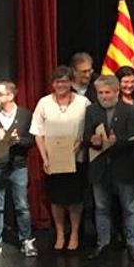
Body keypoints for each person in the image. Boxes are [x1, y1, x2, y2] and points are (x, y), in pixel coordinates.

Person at [83, 75, 134, 260]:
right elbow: (85, 136)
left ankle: (133, 244)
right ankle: (103, 243)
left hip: (123, 167)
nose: (103, 96)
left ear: (117, 92)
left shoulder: (131, 111)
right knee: (101, 208)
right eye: (100, 93)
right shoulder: (91, 110)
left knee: (129, 207)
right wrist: (93, 140)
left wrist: (119, 142)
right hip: (100, 168)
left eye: (107, 92)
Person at [32, 66, 90, 252]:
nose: (61, 85)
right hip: (53, 161)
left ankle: (74, 233)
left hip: (76, 159)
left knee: (74, 199)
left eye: (64, 81)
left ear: (71, 83)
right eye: (57, 81)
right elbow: (37, 133)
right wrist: (45, 158)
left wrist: (80, 143)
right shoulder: (44, 103)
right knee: (56, 199)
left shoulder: (83, 102)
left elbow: (90, 129)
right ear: (52, 84)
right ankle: (60, 234)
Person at [0, 80, 36, 258]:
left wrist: (18, 140)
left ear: (10, 96)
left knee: (22, 206)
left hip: (17, 166)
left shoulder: (25, 115)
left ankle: (27, 240)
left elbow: (31, 141)